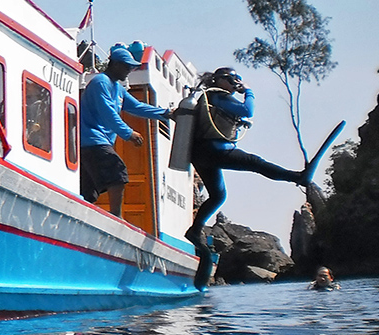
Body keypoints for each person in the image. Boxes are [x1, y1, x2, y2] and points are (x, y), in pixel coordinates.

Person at [184, 66, 309, 289]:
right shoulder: (218, 96)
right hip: (216, 150)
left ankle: (195, 229)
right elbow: (247, 110)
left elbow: (228, 117)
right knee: (255, 163)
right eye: (231, 80)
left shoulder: (210, 98)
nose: (235, 84)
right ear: (220, 80)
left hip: (201, 154)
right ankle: (296, 177)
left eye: (237, 81)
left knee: (218, 195)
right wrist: (249, 92)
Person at [79, 45, 172, 218]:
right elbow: (108, 113)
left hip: (99, 141)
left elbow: (136, 107)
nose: (130, 69)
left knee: (88, 190)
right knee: (118, 173)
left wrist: (165, 113)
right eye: (127, 66)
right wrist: (129, 133)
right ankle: (116, 217)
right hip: (91, 139)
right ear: (114, 64)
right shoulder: (101, 82)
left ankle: (82, 220)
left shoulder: (118, 88)